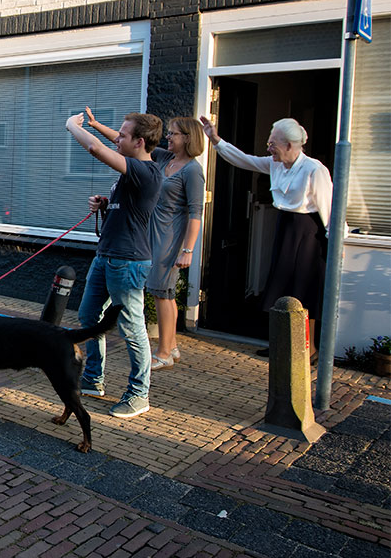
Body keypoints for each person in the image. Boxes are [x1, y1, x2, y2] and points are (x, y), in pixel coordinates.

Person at [199, 116, 334, 360]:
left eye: (273, 144)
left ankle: (308, 349)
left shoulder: (315, 169)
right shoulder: (276, 164)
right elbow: (245, 160)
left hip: (309, 234)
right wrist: (216, 140)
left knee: (305, 291)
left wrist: (336, 243)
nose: (268, 148)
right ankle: (283, 346)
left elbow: (329, 210)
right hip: (286, 228)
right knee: (281, 288)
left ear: (290, 145)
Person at [86, 110, 205, 370]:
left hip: (168, 235)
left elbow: (196, 212)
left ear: (188, 138)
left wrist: (188, 249)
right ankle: (171, 347)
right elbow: (125, 140)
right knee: (164, 292)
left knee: (163, 291)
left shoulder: (192, 170)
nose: (169, 137)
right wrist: (96, 126)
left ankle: (163, 351)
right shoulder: (164, 158)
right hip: (148, 229)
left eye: (173, 133)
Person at [66, 110, 163, 418]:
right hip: (106, 255)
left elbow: (97, 149)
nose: (117, 138)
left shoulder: (146, 172)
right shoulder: (132, 169)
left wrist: (72, 126)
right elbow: (114, 143)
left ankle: (139, 394)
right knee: (89, 315)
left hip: (128, 262)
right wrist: (106, 205)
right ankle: (93, 379)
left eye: (123, 135)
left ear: (140, 142)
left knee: (132, 327)